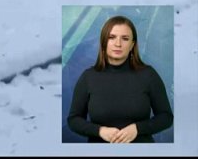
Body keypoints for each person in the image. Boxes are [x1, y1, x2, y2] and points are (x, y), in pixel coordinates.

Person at [66, 15, 174, 143]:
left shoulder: (149, 75)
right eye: (112, 37)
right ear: (103, 42)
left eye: (125, 38)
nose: (118, 44)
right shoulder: (88, 77)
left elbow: (166, 117)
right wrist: (100, 131)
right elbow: (74, 120)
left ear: (132, 44)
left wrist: (137, 129)